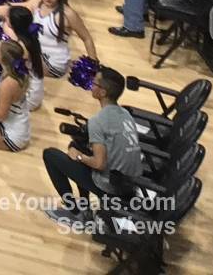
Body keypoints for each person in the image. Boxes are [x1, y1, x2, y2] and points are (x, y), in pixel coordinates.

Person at [42, 66, 144, 223]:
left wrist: (79, 157)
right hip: (131, 183)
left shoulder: (98, 121)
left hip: (111, 188)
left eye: (95, 83)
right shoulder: (126, 114)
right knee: (79, 148)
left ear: (103, 92)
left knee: (50, 155)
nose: (91, 84)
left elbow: (99, 163)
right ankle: (85, 207)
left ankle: (77, 213)